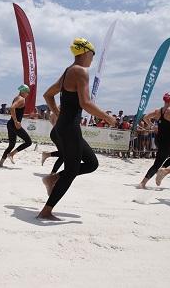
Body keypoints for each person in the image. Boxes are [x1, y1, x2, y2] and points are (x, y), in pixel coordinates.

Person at [38, 38, 116, 220]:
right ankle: (46, 211)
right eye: (92, 54)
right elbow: (85, 103)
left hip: (65, 127)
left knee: (91, 163)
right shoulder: (80, 71)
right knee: (72, 171)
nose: (92, 59)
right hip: (69, 128)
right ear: (85, 52)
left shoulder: (68, 72)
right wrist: (107, 117)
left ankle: (52, 178)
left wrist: (57, 113)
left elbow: (48, 94)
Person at [138, 92, 170, 189]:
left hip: (158, 139)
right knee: (157, 163)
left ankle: (162, 169)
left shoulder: (158, 111)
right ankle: (143, 183)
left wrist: (153, 126)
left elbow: (145, 118)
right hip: (166, 140)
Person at [0, 84, 33, 167]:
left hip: (10, 124)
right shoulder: (22, 99)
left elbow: (17, 113)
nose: (28, 94)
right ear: (23, 91)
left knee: (11, 145)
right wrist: (16, 122)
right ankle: (12, 154)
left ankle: (0, 163)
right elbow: (12, 108)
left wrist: (28, 116)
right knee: (28, 142)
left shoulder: (16, 98)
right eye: (27, 92)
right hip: (14, 124)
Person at [41, 109, 63, 175]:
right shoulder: (62, 107)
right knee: (64, 154)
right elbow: (52, 117)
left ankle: (52, 173)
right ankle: (52, 173)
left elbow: (51, 118)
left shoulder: (61, 107)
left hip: (57, 132)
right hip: (57, 133)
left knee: (64, 154)